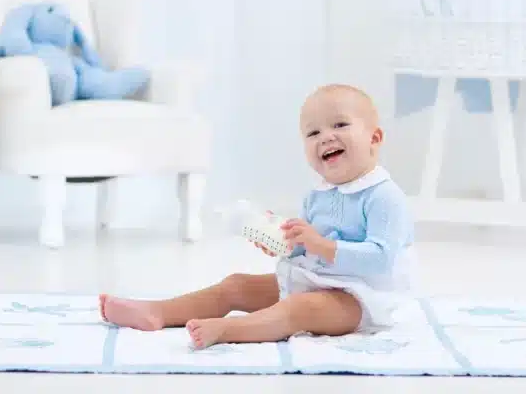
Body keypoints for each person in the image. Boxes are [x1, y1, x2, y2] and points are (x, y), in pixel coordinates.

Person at [99, 83, 415, 349]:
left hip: (361, 299)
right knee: (236, 284)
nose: (325, 137)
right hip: (319, 280)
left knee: (299, 308)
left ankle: (227, 331)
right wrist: (289, 245)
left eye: (340, 125)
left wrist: (321, 246)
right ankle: (158, 312)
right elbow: (310, 248)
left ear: (374, 138)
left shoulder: (383, 196)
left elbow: (380, 258)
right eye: (313, 132)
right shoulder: (318, 195)